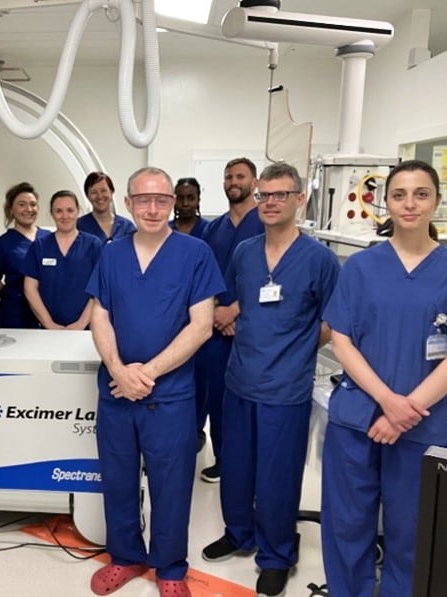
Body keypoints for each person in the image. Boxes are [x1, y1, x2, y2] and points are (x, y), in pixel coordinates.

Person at [320, 159, 447, 597]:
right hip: (358, 418)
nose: (410, 204)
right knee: (347, 522)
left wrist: (403, 413)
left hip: (422, 425)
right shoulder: (361, 268)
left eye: (421, 194)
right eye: (399, 195)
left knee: (411, 528)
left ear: (437, 202)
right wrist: (389, 403)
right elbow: (341, 342)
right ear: (386, 203)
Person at [201, 163, 340, 597]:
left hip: (286, 387)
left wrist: (298, 348)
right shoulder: (245, 253)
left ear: (300, 199)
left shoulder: (319, 259)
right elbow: (240, 298)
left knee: (277, 476)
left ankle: (277, 554)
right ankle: (239, 533)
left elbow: (334, 320)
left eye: (281, 194)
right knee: (237, 468)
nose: (271, 202)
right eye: (264, 195)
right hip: (240, 379)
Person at [86, 167, 224, 597]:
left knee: (172, 481)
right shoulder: (111, 254)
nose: (152, 208)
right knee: (118, 477)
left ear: (173, 204)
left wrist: (147, 373)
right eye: (142, 199)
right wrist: (117, 368)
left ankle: (169, 566)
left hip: (170, 394)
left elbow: (201, 326)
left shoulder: (195, 253)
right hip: (116, 390)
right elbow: (100, 316)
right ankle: (125, 556)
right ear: (127, 203)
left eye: (161, 200)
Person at [197, 158, 265, 481]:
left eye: (240, 176)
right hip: (215, 328)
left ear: (254, 183)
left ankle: (247, 462)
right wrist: (214, 313)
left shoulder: (266, 224)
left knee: (247, 400)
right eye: (228, 176)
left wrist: (234, 310)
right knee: (217, 399)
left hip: (251, 326)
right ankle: (224, 458)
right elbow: (205, 276)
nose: (233, 181)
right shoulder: (214, 228)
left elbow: (271, 276)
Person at [22, 190, 102, 329]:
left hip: (86, 329)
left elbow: (101, 287)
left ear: (78, 212)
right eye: (59, 211)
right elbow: (30, 288)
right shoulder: (40, 246)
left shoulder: (93, 245)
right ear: (52, 213)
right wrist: (49, 324)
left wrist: (81, 324)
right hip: (48, 329)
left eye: (70, 210)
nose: (65, 216)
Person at [0, 182, 50, 328]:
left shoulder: (49, 238)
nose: (29, 209)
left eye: (33, 204)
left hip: (48, 311)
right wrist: (11, 295)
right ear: (11, 209)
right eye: (22, 204)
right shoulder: (2, 244)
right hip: (16, 315)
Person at [78, 171, 136, 242]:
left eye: (103, 191)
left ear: (111, 192)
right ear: (87, 196)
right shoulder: (79, 226)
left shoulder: (127, 227)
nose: (99, 196)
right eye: (94, 192)